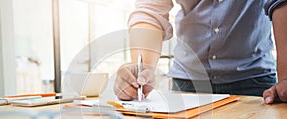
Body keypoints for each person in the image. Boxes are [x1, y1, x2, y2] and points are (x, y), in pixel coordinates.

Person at [114, 0, 287, 104]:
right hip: (187, 85)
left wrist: (286, 78)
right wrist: (142, 70)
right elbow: (151, 11)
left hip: (253, 82)